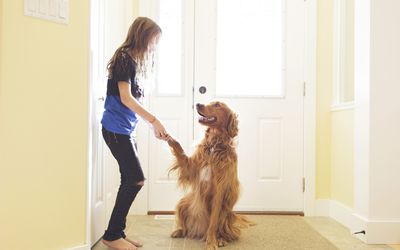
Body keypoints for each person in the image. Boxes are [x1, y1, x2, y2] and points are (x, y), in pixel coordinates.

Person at [100, 17, 169, 250]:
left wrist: (150, 125)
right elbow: (125, 98)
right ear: (143, 36)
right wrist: (154, 119)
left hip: (125, 130)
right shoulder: (123, 58)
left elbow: (130, 103)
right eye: (153, 40)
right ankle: (111, 235)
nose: (154, 46)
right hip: (114, 130)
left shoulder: (131, 60)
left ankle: (117, 232)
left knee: (128, 180)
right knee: (136, 179)